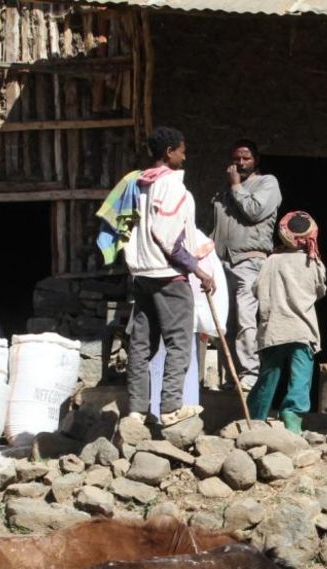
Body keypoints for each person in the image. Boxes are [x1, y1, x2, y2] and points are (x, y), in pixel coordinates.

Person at [122, 126, 216, 427]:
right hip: (168, 276)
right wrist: (197, 269)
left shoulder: (138, 186)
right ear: (169, 151)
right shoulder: (173, 188)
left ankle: (136, 410)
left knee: (141, 345)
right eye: (182, 150)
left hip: (143, 274)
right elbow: (167, 237)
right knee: (179, 343)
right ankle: (171, 407)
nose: (184, 156)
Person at [210, 139, 282, 392]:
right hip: (222, 263)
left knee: (246, 319)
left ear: (256, 160)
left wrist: (236, 186)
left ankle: (250, 375)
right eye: (236, 159)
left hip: (249, 261)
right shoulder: (225, 191)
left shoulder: (267, 183)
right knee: (224, 322)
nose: (240, 163)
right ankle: (232, 377)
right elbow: (218, 227)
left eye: (246, 158)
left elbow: (254, 211)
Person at [246, 212, 326, 434]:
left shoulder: (271, 261)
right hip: (302, 329)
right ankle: (292, 415)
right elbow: (320, 290)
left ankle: (257, 416)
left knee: (269, 374)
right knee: (301, 376)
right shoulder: (312, 262)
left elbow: (256, 289)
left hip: (274, 328)